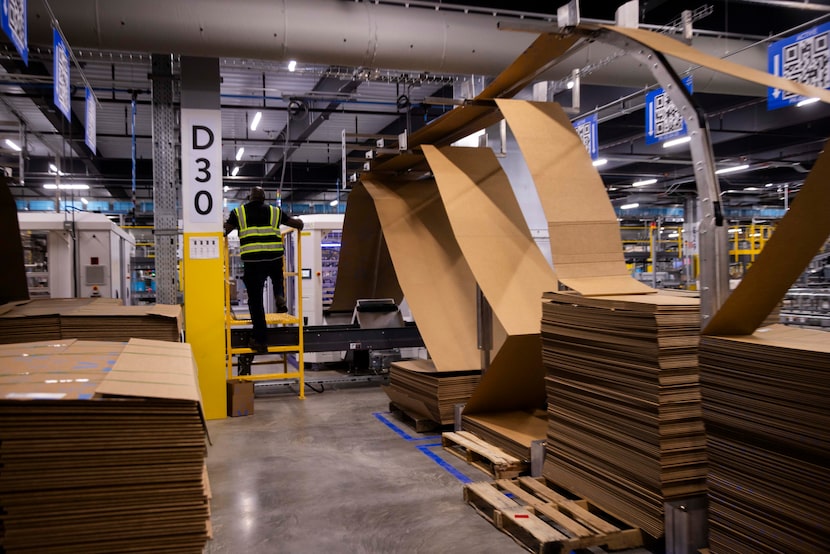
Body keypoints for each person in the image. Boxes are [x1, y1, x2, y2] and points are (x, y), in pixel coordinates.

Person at [224, 186, 304, 354]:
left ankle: (260, 340)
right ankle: (279, 295)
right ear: (264, 198)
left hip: (253, 261)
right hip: (274, 258)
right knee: (277, 276)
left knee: (256, 303)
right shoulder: (275, 211)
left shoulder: (239, 213)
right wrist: (300, 223)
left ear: (249, 197)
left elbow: (225, 230)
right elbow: (296, 224)